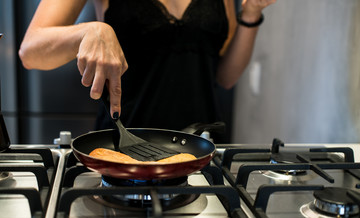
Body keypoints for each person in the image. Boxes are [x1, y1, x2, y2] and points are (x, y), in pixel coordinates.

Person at [19, 0, 276, 142]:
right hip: (122, 149)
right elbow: (31, 51)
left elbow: (224, 77)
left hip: (200, 151)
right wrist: (90, 30)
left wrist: (251, 14)